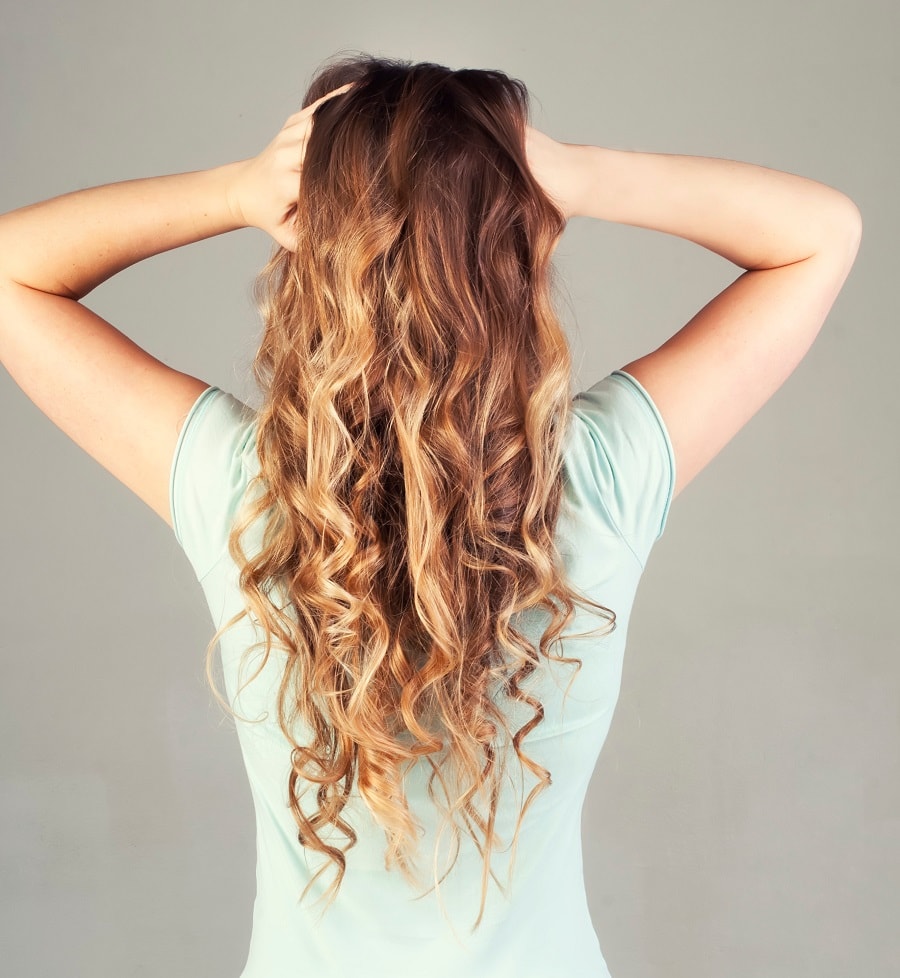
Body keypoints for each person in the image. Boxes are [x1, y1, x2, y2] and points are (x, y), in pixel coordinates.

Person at [0, 52, 861, 978]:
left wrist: (232, 191)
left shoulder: (243, 491)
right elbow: (821, 233)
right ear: (522, 245)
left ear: (311, 252)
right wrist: (578, 172)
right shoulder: (603, 479)